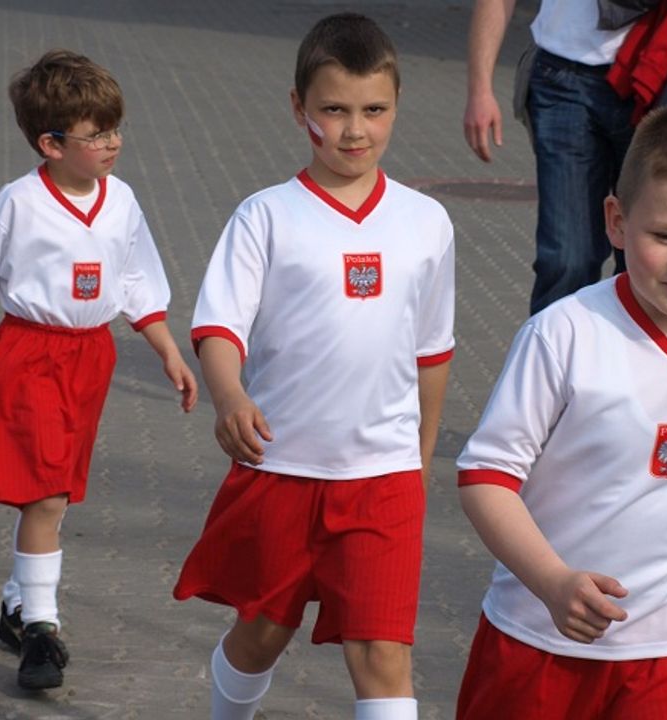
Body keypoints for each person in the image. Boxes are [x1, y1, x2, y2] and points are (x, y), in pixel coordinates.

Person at [455, 101, 667, 719]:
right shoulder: (564, 333)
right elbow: (485, 478)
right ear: (615, 218)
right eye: (665, 236)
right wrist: (552, 581)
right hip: (537, 641)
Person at [173, 13, 455, 720]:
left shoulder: (427, 224)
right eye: (334, 110)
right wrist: (229, 394)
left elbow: (434, 351)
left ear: (396, 106)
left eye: (373, 110)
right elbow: (217, 328)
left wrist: (417, 462)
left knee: (381, 653)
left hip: (382, 479)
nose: (355, 130)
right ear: (299, 107)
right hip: (282, 467)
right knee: (265, 632)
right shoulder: (265, 216)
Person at [0, 49, 198, 691]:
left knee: (58, 495)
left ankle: (18, 603)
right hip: (30, 355)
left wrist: (168, 352)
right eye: (96, 135)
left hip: (90, 357)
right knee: (43, 491)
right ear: (50, 144)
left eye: (114, 130)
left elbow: (134, 283)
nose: (112, 144)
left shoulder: (121, 201)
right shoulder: (19, 204)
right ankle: (42, 630)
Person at [462, 0, 667, 315]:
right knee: (567, 259)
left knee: (650, 256)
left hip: (661, 76)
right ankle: (554, 358)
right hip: (562, 77)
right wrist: (480, 89)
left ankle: (642, 360)